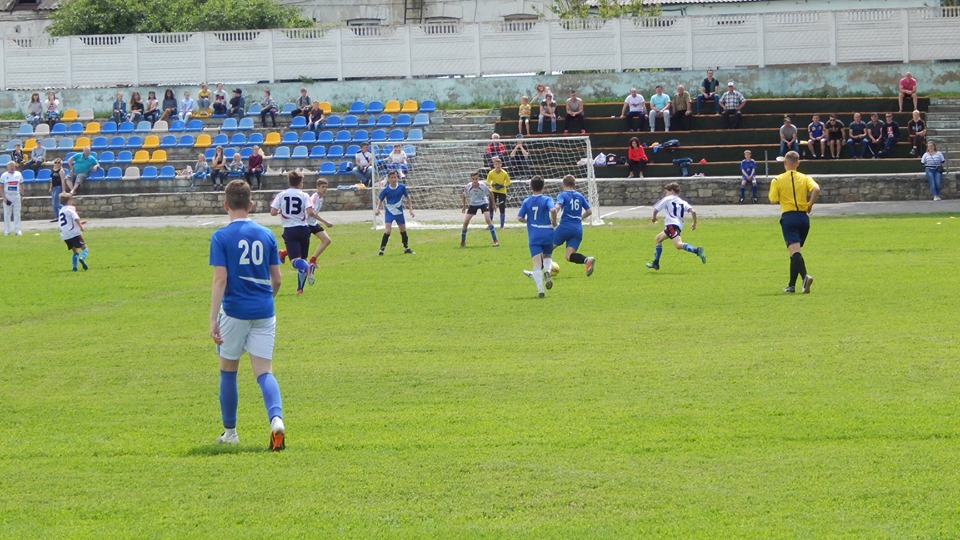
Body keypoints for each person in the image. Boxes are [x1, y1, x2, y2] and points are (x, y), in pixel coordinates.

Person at [209, 179, 285, 451]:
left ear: (226, 205)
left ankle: (230, 433)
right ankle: (276, 420)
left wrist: (212, 320)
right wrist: (265, 299)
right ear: (251, 205)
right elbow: (277, 280)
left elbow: (220, 280)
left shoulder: (221, 236)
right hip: (264, 311)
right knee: (264, 372)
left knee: (228, 370)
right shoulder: (266, 235)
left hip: (234, 311)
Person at [768, 150, 819, 294]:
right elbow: (816, 189)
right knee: (794, 252)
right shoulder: (805, 178)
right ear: (798, 163)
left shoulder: (777, 180)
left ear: (785, 163)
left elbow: (772, 200)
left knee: (794, 251)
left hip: (789, 217)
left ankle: (805, 277)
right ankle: (791, 285)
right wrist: (810, 204)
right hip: (803, 218)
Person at [271, 170, 319, 295]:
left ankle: (309, 267)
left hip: (290, 230)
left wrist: (280, 211)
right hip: (304, 229)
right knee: (302, 258)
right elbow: (310, 212)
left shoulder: (282, 195)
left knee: (295, 261)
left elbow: (272, 211)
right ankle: (300, 289)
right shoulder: (304, 195)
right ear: (300, 183)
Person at [645, 182, 705, 271]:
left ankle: (697, 250)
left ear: (672, 191)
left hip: (671, 225)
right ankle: (655, 263)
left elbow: (656, 209)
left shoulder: (667, 199)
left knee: (678, 245)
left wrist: (654, 217)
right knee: (658, 239)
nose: (666, 193)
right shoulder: (682, 201)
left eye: (667, 191)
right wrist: (694, 223)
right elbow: (693, 211)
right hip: (676, 225)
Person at [517, 176, 557, 298]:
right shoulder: (547, 199)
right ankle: (547, 271)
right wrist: (554, 222)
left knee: (536, 264)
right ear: (543, 188)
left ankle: (540, 290)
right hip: (547, 233)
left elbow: (519, 217)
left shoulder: (527, 201)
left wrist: (527, 222)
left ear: (530, 188)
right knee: (547, 257)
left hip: (534, 235)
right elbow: (553, 210)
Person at [553, 174, 595, 277]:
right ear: (574, 184)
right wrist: (579, 218)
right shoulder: (579, 196)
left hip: (565, 227)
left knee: (546, 249)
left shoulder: (562, 195)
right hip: (577, 228)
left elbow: (557, 207)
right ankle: (586, 259)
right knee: (569, 256)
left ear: (563, 184)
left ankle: (536, 272)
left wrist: (553, 219)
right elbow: (589, 211)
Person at [374, 170, 415, 255]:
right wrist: (377, 209)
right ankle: (381, 250)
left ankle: (406, 248)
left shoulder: (401, 187)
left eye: (395, 177)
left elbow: (408, 197)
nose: (393, 179)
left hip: (399, 212)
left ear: (397, 178)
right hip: (389, 212)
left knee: (403, 230)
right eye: (392, 177)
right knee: (388, 231)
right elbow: (380, 199)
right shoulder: (386, 190)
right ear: (389, 179)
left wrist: (411, 209)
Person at [460, 171, 499, 248]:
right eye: (473, 179)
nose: (475, 181)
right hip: (473, 204)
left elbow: (491, 192)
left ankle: (495, 240)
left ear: (479, 178)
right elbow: (464, 195)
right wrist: (464, 206)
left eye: (476, 179)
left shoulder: (483, 186)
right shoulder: (468, 187)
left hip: (483, 203)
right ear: (471, 179)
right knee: (465, 222)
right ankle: (463, 241)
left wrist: (494, 204)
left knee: (488, 220)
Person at [306, 177, 334, 279]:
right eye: (323, 187)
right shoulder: (315, 197)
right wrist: (325, 222)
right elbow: (312, 213)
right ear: (317, 187)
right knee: (301, 248)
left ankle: (312, 260)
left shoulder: (321, 197)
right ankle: (283, 253)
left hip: (313, 223)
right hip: (307, 224)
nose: (325, 189)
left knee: (326, 240)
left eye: (326, 187)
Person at [57, 192, 88, 271]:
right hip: (74, 233)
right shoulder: (70, 209)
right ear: (69, 201)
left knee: (74, 251)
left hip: (65, 235)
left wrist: (80, 223)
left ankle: (74, 267)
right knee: (85, 248)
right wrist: (80, 226)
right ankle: (82, 258)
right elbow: (75, 218)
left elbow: (66, 222)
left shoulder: (61, 211)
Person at [486, 156, 511, 229]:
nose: (497, 166)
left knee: (502, 207)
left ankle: (502, 225)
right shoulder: (491, 173)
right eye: (496, 164)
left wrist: (503, 185)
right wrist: (492, 184)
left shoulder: (504, 173)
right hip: (493, 191)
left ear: (501, 165)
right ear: (494, 165)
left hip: (502, 192)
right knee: (491, 207)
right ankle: (490, 224)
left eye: (499, 164)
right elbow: (487, 181)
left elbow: (508, 182)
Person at [2, 161, 24, 236]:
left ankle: (17, 231)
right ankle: (7, 231)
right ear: (7, 167)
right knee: (7, 214)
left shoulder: (18, 174)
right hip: (8, 195)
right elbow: (1, 187)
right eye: (11, 166)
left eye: (13, 166)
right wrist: (4, 197)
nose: (12, 167)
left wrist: (22, 195)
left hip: (16, 195)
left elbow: (21, 184)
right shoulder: (4, 175)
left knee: (17, 214)